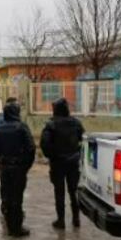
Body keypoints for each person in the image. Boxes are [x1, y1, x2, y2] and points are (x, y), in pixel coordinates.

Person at [0, 102, 36, 237]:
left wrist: (0, 161)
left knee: (7, 195)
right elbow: (31, 148)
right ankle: (16, 228)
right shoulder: (22, 127)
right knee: (17, 197)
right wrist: (26, 165)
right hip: (18, 167)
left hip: (5, 167)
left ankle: (10, 225)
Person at [40, 98, 85, 230]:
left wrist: (52, 156)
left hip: (57, 163)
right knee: (73, 191)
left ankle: (61, 221)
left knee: (59, 192)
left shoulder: (51, 124)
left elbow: (44, 144)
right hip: (73, 162)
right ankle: (76, 219)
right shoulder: (76, 123)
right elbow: (83, 139)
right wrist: (77, 153)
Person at [0, 97, 19, 215]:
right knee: (14, 185)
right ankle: (12, 207)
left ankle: (6, 205)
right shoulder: (19, 124)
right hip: (14, 161)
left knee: (5, 184)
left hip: (4, 160)